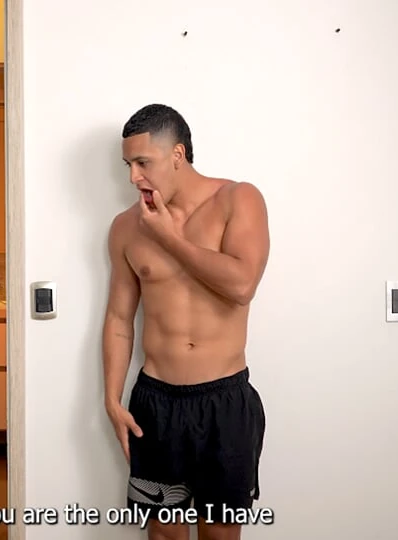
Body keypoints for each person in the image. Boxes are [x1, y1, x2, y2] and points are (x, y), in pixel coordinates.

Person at [102, 104, 270, 540]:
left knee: (219, 534)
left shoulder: (238, 199)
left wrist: (169, 239)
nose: (133, 177)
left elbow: (242, 285)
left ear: (177, 154)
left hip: (224, 402)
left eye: (143, 163)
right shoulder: (125, 227)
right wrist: (112, 399)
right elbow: (119, 318)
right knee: (163, 533)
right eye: (128, 165)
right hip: (156, 403)